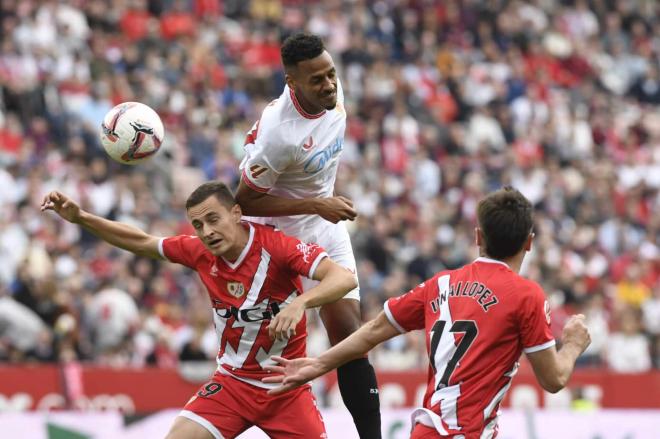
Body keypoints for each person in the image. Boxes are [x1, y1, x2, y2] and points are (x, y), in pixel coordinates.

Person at [263, 187, 592, 439]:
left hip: (425, 430)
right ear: (530, 242)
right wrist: (574, 344)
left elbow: (374, 330)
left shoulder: (440, 284)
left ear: (478, 237)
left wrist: (318, 364)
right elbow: (553, 379)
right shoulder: (526, 295)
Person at [41, 181, 358, 439]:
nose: (205, 231)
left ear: (236, 213)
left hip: (286, 386)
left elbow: (343, 278)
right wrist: (81, 217)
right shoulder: (199, 252)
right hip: (233, 383)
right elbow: (140, 241)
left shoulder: (278, 247)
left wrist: (301, 303)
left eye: (213, 219)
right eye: (197, 224)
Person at [236, 32, 381, 438]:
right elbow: (243, 202)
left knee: (349, 335)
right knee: (269, 349)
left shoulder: (333, 100)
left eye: (331, 74)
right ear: (291, 81)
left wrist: (322, 205)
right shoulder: (278, 134)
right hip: (278, 235)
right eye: (317, 79)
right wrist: (318, 204)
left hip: (324, 224)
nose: (329, 84)